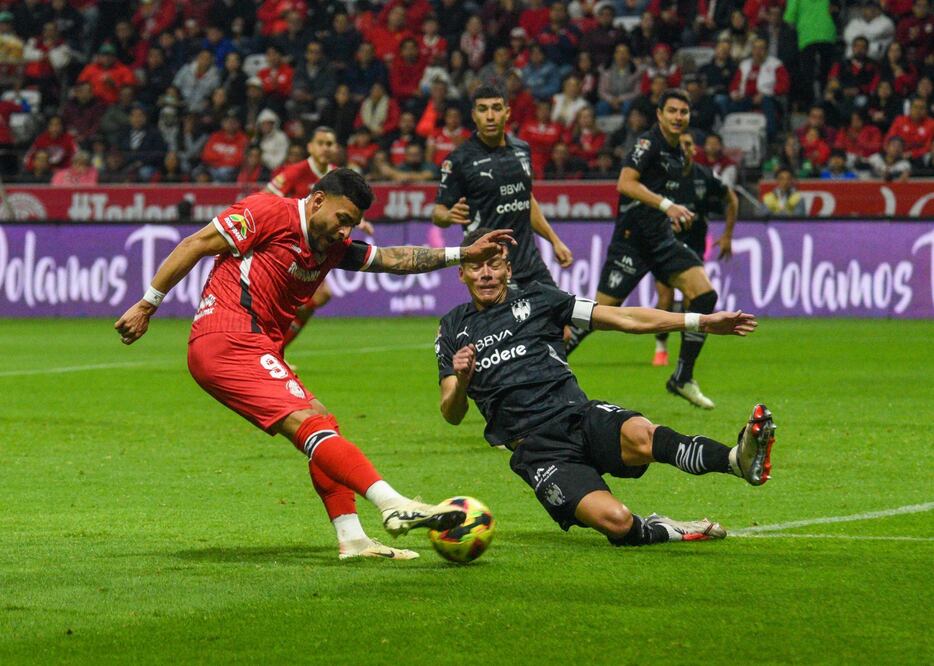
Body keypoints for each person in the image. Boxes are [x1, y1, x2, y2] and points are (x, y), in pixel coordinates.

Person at [115, 168, 515, 561]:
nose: (345, 231)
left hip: (255, 345)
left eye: (352, 223)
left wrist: (463, 253)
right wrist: (148, 304)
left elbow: (395, 259)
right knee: (310, 423)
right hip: (228, 338)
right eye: (342, 219)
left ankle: (353, 539)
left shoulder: (331, 246)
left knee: (323, 420)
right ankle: (392, 503)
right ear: (318, 200)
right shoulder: (268, 212)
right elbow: (196, 243)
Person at [436, 228, 773, 547]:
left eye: (494, 264)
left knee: (643, 434)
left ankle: (736, 460)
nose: (486, 274)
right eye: (475, 266)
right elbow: (451, 413)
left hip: (579, 417)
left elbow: (624, 318)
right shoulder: (452, 328)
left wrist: (700, 321)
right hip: (538, 450)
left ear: (508, 269)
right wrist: (463, 379)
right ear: (462, 273)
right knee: (617, 522)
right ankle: (662, 528)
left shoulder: (541, 299)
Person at [565, 89, 724, 410]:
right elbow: (625, 183)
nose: (678, 117)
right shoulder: (647, 144)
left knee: (704, 295)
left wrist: (672, 214)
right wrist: (667, 206)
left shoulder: (678, 152)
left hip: (662, 241)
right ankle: (544, 362)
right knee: (598, 314)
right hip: (632, 241)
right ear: (660, 114)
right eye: (672, 111)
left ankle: (682, 377)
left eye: (684, 112)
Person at [433, 85, 573, 292]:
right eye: (483, 109)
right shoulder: (459, 160)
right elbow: (438, 213)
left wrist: (555, 241)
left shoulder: (522, 149)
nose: (490, 116)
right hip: (492, 269)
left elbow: (526, 199)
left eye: (496, 108)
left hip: (531, 265)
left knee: (561, 313)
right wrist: (448, 216)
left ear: (507, 113)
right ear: (474, 115)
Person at [265, 126, 372, 354]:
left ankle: (274, 351)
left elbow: (347, 208)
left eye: (330, 144)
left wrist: (360, 222)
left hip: (317, 248)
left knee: (312, 299)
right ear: (310, 147)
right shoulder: (296, 172)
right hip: (289, 245)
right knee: (312, 296)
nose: (326, 148)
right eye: (321, 143)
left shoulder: (337, 177)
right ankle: (271, 351)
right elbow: (265, 197)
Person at [652, 131, 737, 368]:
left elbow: (732, 199)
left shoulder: (705, 176)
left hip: (694, 248)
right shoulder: (660, 177)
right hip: (665, 246)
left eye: (688, 144)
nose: (684, 148)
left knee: (694, 301)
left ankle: (685, 358)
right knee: (666, 299)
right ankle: (661, 346)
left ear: (694, 149)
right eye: (680, 144)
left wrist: (727, 235)